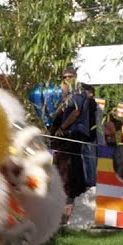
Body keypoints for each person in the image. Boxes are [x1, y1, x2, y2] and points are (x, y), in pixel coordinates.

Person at [50, 68, 92, 224]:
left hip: (73, 133)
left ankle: (67, 193)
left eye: (70, 77)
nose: (66, 80)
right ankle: (73, 191)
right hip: (69, 134)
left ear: (75, 78)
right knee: (72, 162)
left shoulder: (77, 95)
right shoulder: (67, 96)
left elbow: (75, 112)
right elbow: (63, 111)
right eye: (64, 77)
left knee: (66, 162)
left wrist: (62, 128)